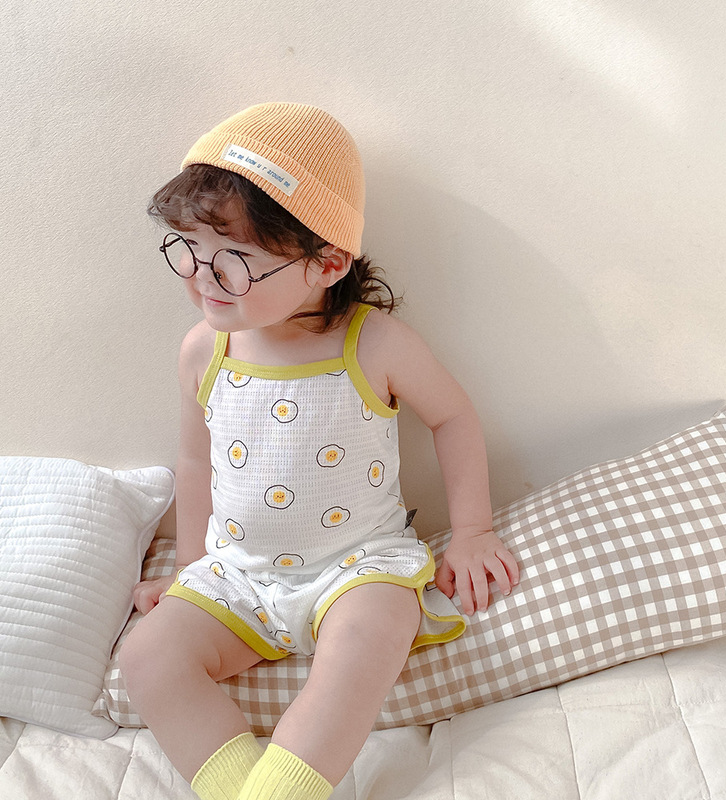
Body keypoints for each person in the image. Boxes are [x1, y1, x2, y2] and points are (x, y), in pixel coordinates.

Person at [120, 102, 520, 800]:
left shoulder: (375, 344)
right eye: (186, 249)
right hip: (238, 575)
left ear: (326, 263)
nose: (203, 278)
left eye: (235, 262)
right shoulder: (203, 351)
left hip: (356, 566)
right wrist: (188, 570)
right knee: (146, 655)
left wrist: (473, 531)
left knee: (371, 635)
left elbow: (453, 417)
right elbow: (195, 463)